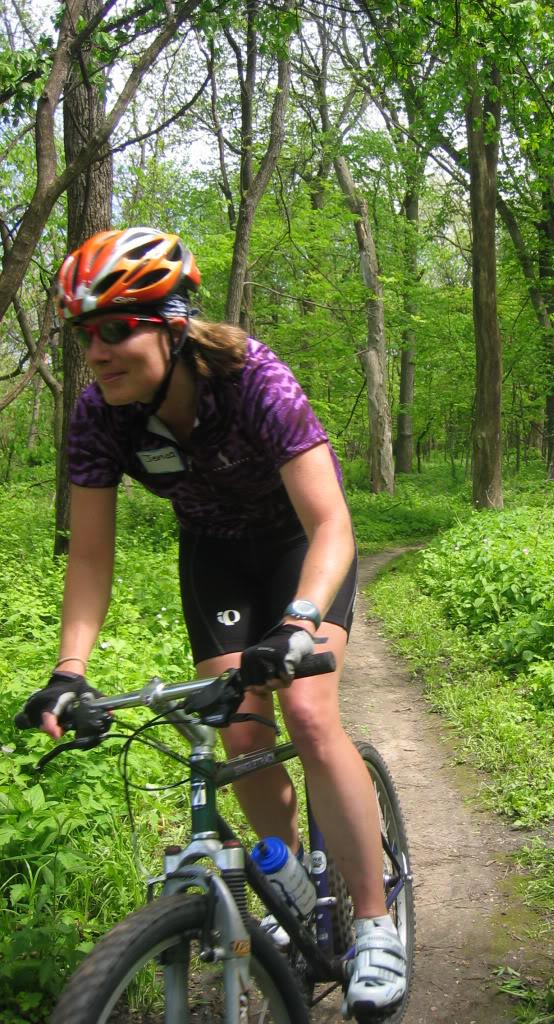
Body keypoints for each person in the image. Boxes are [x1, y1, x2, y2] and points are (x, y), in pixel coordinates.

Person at [21, 227, 406, 1017]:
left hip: (301, 546)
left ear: (170, 323)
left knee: (304, 707)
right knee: (239, 729)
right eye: (85, 334)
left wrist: (300, 622)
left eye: (117, 329)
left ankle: (374, 921)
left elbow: (332, 521)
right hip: (216, 554)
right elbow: (90, 558)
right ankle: (294, 888)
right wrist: (69, 670)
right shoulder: (99, 417)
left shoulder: (252, 377)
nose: (97, 352)